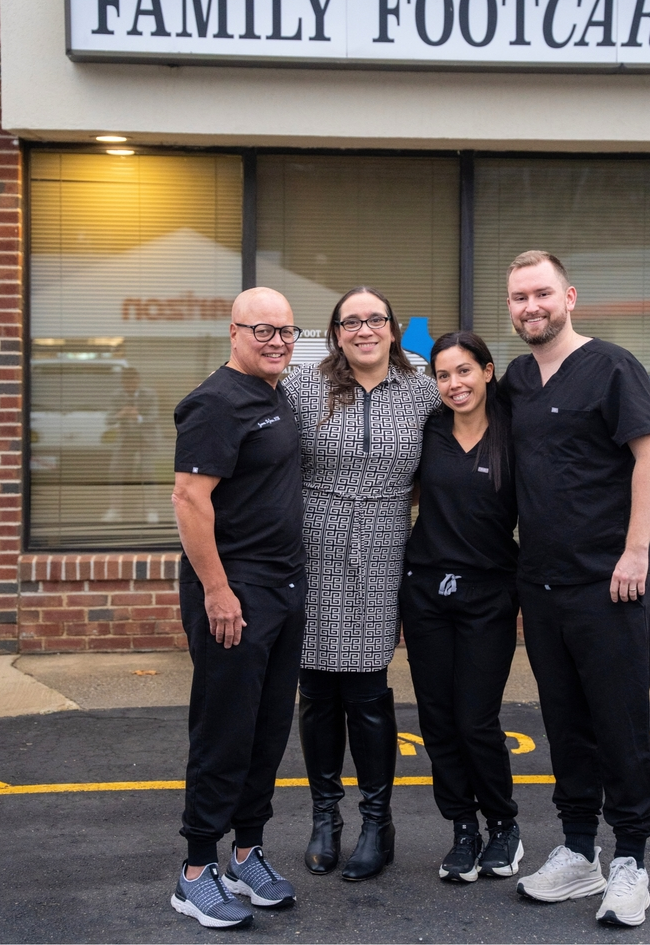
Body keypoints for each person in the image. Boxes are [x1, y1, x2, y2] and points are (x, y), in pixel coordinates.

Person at [502, 251, 650, 929]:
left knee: (617, 723)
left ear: (568, 295)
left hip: (609, 584)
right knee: (564, 723)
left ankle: (629, 861)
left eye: (540, 293)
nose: (529, 306)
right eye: (517, 298)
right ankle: (577, 852)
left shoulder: (612, 366)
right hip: (541, 584)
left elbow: (649, 453)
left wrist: (634, 553)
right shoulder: (514, 379)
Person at [284, 286, 440, 881]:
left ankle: (379, 822)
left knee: (369, 687)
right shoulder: (303, 389)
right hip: (314, 547)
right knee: (317, 687)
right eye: (351, 321)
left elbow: (440, 474)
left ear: (394, 329)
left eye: (375, 318)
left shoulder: (424, 392)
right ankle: (326, 817)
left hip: (383, 549)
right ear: (335, 332)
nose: (364, 329)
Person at [170, 287, 307, 929]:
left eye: (286, 331)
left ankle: (246, 853)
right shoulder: (215, 402)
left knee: (268, 726)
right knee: (224, 728)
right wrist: (218, 592)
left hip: (282, 589)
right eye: (263, 331)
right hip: (235, 592)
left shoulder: (274, 394)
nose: (277, 341)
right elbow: (190, 501)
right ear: (234, 332)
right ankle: (197, 870)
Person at [399, 331, 522, 884]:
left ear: (488, 372)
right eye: (444, 375)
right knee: (438, 720)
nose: (454, 384)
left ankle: (503, 825)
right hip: (426, 592)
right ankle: (462, 828)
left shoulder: (514, 435)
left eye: (465, 371)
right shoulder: (428, 433)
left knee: (475, 718)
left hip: (488, 595)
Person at [101, 366, 161, 524]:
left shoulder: (149, 395)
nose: (129, 385)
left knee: (147, 472)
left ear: (138, 381)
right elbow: (108, 420)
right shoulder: (117, 396)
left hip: (145, 439)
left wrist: (138, 417)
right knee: (115, 472)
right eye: (126, 382)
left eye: (132, 382)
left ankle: (151, 510)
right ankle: (115, 510)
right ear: (122, 382)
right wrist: (120, 414)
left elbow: (154, 417)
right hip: (126, 438)